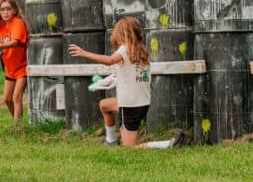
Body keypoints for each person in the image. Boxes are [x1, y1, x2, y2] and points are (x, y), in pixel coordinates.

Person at [68, 17, 185, 148]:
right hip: (141, 102)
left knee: (130, 148)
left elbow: (110, 60)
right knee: (104, 105)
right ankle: (111, 140)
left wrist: (85, 53)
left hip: (129, 106)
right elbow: (134, 74)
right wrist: (115, 78)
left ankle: (168, 144)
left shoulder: (125, 49)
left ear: (123, 33)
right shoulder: (141, 50)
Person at [0, 0, 28, 126]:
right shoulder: (0, 26)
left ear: (14, 11)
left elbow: (15, 42)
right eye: (2, 9)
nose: (5, 12)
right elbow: (1, 43)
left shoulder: (18, 23)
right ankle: (18, 122)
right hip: (9, 68)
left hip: (22, 67)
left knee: (16, 97)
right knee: (6, 99)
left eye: (8, 9)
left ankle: (18, 127)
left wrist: (1, 46)